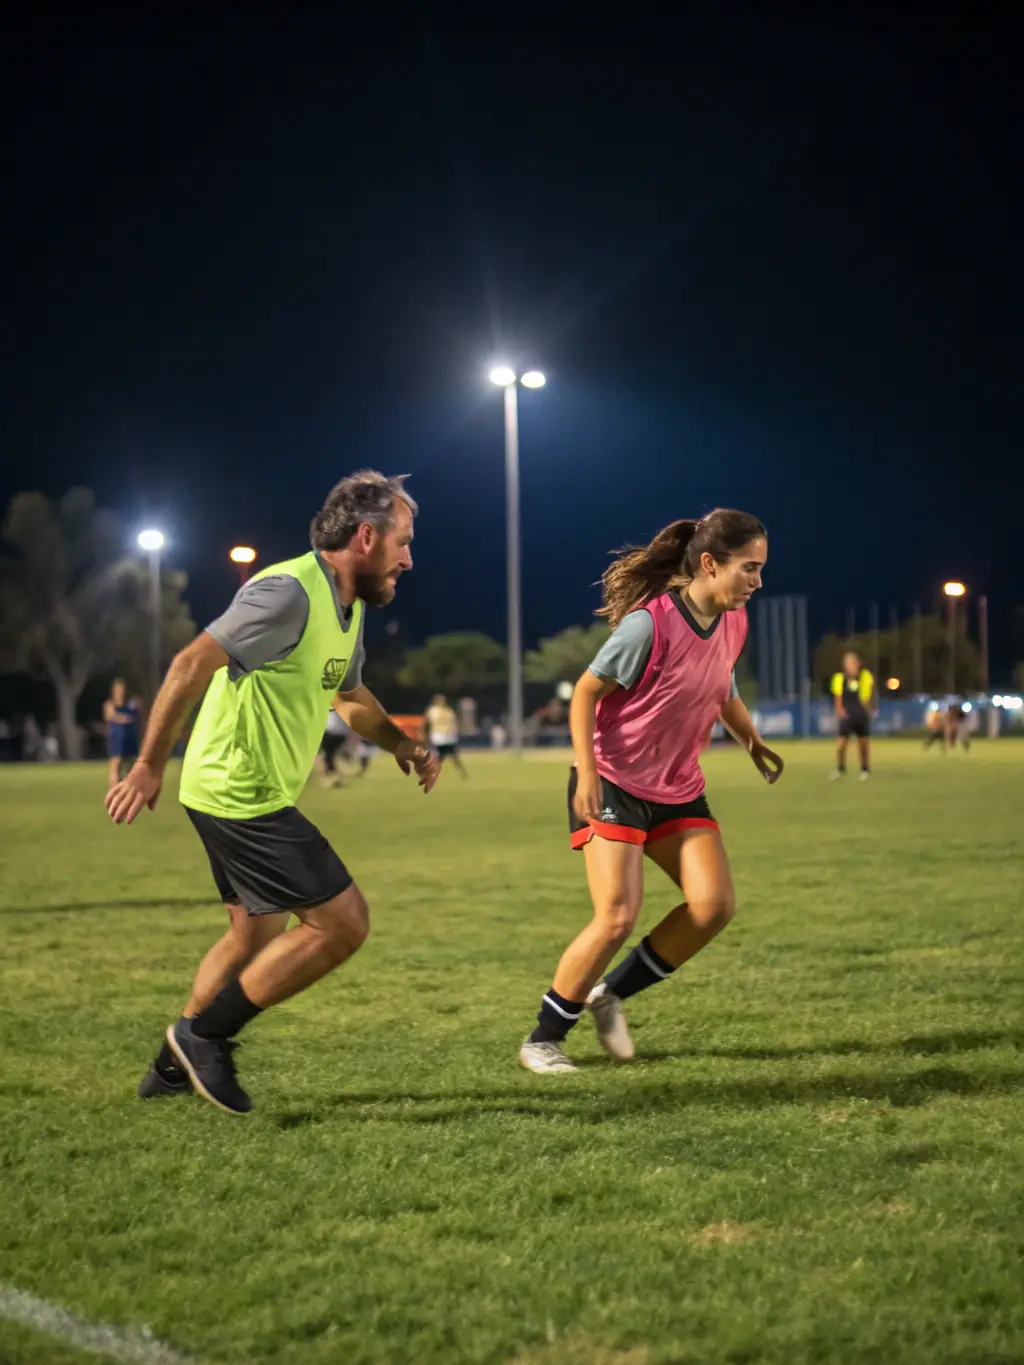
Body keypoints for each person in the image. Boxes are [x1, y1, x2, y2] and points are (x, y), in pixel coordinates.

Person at [106, 470, 440, 1116]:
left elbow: (348, 694)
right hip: (240, 789)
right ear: (365, 537)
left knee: (255, 934)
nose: (409, 557)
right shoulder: (288, 591)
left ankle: (170, 1071)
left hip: (236, 788)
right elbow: (189, 664)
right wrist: (148, 762)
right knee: (343, 923)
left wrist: (400, 743)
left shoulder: (351, 607)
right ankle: (203, 1036)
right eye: (402, 540)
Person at [518, 509, 783, 1074]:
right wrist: (587, 773)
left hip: (677, 786)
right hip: (613, 777)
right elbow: (586, 694)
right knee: (616, 915)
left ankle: (607, 993)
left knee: (712, 907)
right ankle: (542, 1039)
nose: (758, 582)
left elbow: (722, 689)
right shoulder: (649, 625)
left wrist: (753, 741)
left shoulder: (734, 620)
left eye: (762, 569)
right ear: (710, 565)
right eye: (750, 568)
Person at [830, 650, 876, 780]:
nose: (850, 666)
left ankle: (865, 769)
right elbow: (838, 697)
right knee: (840, 745)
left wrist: (870, 709)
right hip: (847, 716)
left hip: (860, 714)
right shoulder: (839, 678)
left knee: (863, 744)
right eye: (848, 663)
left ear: (858, 664)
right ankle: (841, 768)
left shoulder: (865, 676)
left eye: (852, 663)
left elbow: (869, 694)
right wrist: (840, 711)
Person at [103, 679, 142, 790]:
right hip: (117, 737)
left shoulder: (131, 703)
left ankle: (127, 790)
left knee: (130, 765)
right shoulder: (109, 704)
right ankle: (114, 790)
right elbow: (110, 717)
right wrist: (124, 719)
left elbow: (139, 716)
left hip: (130, 736)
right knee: (116, 765)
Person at [425, 693, 467, 777]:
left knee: (451, 755)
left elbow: (454, 722)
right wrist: (426, 735)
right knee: (441, 755)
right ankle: (431, 771)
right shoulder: (432, 711)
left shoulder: (449, 711)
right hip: (438, 736)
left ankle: (462, 772)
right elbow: (427, 724)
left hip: (449, 736)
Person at [317, 707, 349, 787]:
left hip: (331, 732)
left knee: (328, 755)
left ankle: (330, 774)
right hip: (342, 733)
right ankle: (332, 775)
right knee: (330, 755)